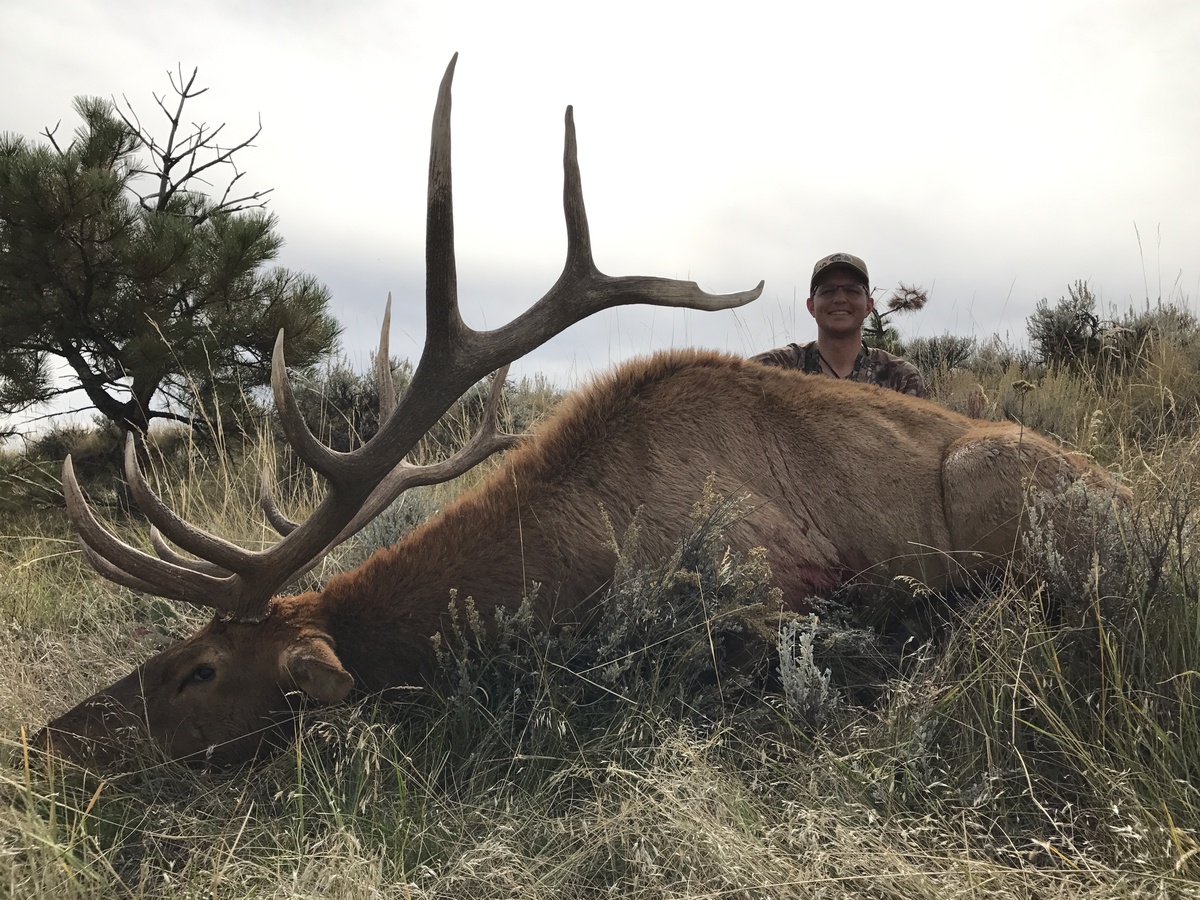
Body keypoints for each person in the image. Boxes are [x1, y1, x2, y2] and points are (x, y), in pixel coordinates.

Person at [752, 252, 927, 398]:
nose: (840, 299)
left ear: (868, 306)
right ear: (811, 306)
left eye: (852, 290)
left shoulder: (902, 377)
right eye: (828, 291)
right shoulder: (767, 370)